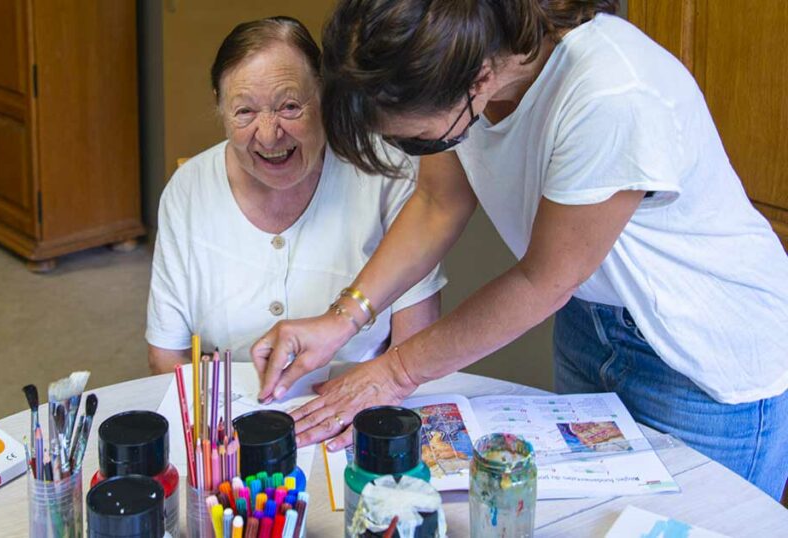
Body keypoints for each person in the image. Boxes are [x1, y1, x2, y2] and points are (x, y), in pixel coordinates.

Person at [251, 0, 788, 500]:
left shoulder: (610, 92)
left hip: (702, 351)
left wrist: (394, 372)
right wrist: (342, 320)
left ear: (479, 79)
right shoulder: (465, 59)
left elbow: (543, 280)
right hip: (591, 322)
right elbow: (439, 201)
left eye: (417, 140)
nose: (412, 152)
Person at [146, 16, 445, 373]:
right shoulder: (188, 190)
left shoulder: (386, 171)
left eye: (289, 107)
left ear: (323, 95)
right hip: (229, 415)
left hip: (361, 400)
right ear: (220, 107)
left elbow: (412, 346)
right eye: (245, 111)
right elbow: (166, 354)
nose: (270, 135)